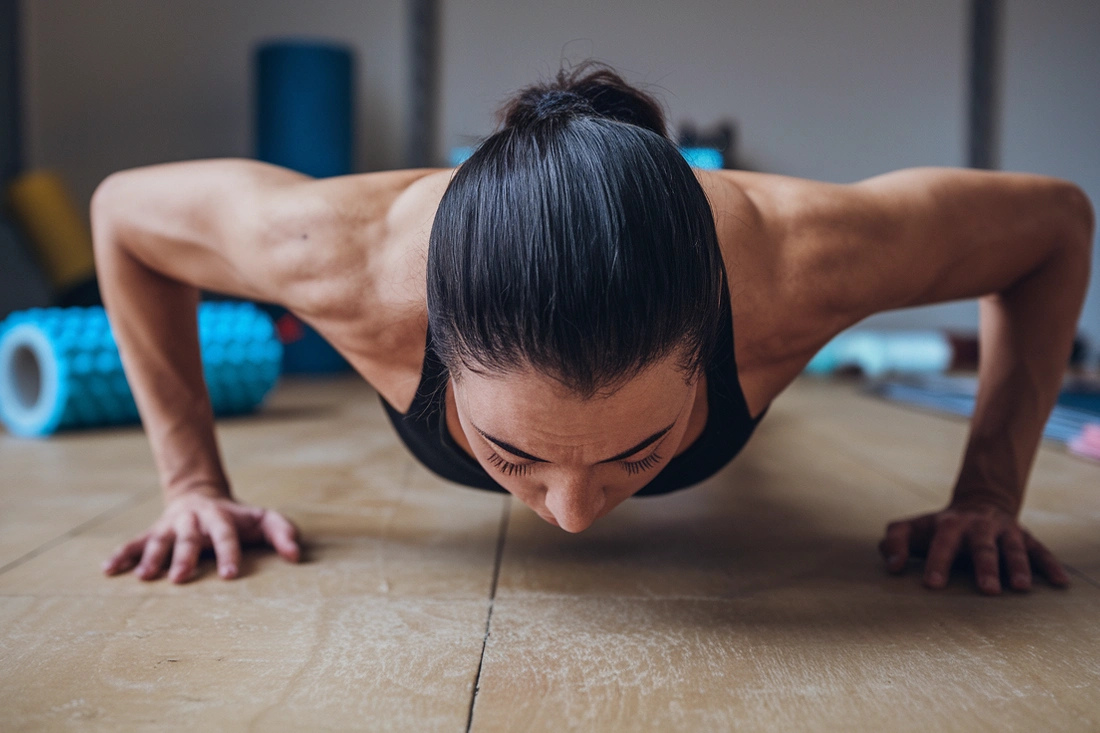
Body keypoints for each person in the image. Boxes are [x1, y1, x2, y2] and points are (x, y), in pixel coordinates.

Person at [91, 62, 1094, 595]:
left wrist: (987, 493)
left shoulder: (806, 261)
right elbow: (124, 216)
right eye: (511, 453)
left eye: (639, 451)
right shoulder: (332, 255)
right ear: (431, 342)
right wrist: (192, 485)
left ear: (715, 342)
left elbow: (1052, 225)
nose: (572, 515)